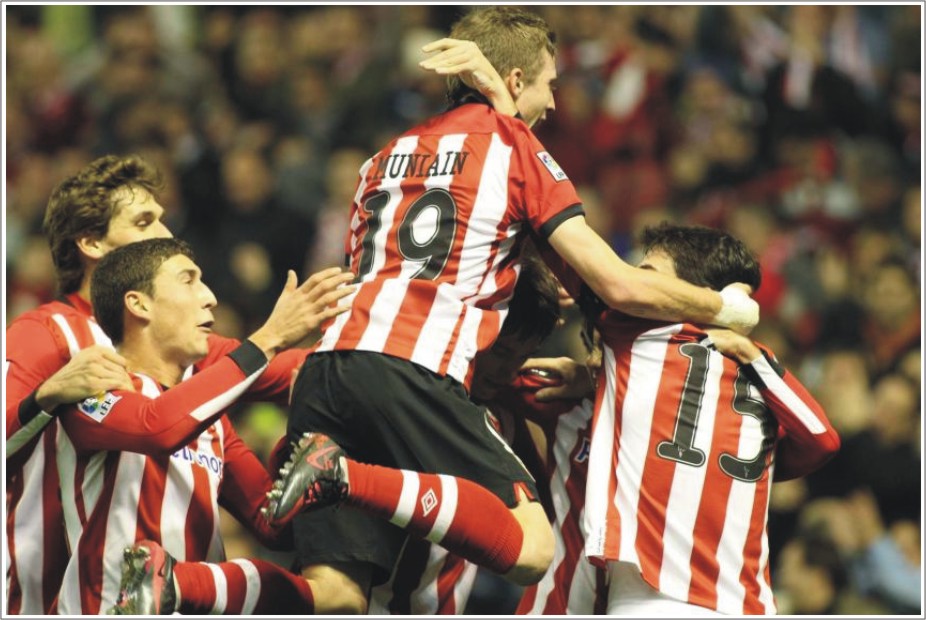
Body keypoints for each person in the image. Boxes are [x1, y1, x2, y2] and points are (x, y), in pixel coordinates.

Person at [266, 8, 759, 614]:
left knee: (336, 598)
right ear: (517, 79)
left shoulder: (382, 157)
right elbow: (617, 284)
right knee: (531, 546)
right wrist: (725, 307)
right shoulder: (516, 148)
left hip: (326, 368)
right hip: (414, 366)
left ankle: (187, 587)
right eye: (549, 84)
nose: (552, 104)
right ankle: (339, 475)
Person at [3, 154, 353, 614]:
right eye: (143, 221)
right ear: (91, 242)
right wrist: (45, 398)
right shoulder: (45, 332)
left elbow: (288, 370)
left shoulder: (191, 358)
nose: (165, 233)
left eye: (162, 218)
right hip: (45, 592)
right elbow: (159, 422)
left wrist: (384, 357)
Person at [541, 222, 840, 615]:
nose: (636, 282)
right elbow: (822, 440)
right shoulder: (756, 365)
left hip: (648, 598)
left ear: (689, 290)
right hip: (744, 603)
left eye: (649, 274)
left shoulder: (631, 328)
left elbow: (562, 244)